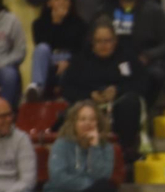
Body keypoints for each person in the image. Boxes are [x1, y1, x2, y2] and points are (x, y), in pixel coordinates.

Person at [62, 20, 149, 159]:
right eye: (99, 41)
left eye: (108, 41)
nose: (104, 45)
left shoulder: (127, 57)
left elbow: (142, 82)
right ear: (92, 42)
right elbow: (67, 88)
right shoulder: (80, 60)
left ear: (115, 41)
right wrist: (90, 95)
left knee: (131, 103)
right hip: (89, 103)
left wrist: (118, 91)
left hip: (119, 103)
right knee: (74, 111)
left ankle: (125, 151)